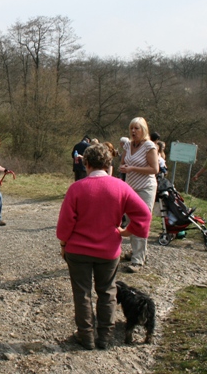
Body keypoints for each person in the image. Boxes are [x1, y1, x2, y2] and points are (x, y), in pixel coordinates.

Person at [57, 143, 151, 350]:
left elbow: (65, 224)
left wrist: (63, 243)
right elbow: (144, 214)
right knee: (107, 292)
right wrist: (126, 232)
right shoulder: (121, 187)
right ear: (109, 164)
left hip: (78, 250)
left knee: (82, 293)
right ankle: (104, 338)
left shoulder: (76, 188)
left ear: (86, 163)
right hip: (108, 251)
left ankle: (86, 337)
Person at [119, 117, 159, 273]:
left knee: (141, 222)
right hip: (130, 187)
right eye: (131, 128)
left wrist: (132, 168)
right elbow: (123, 163)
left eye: (137, 128)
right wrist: (123, 167)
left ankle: (137, 260)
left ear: (143, 130)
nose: (133, 131)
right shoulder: (128, 145)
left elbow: (154, 169)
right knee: (130, 221)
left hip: (146, 188)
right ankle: (137, 252)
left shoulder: (149, 146)